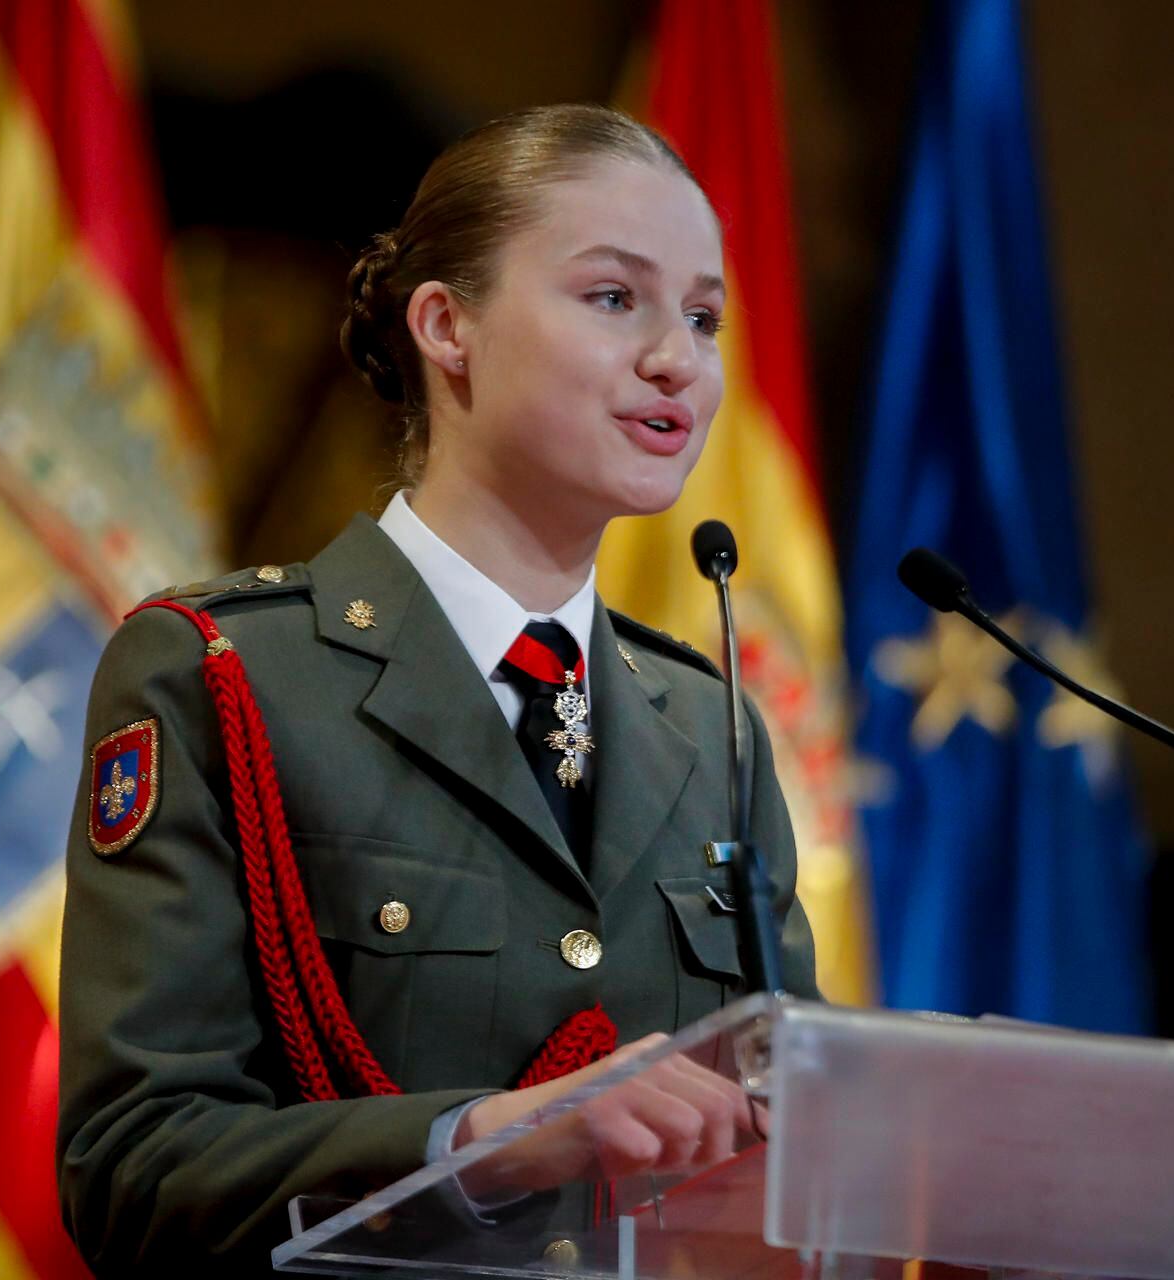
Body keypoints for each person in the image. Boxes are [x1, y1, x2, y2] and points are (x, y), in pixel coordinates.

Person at [56, 103, 822, 1275]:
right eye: (615, 297)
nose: (679, 357)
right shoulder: (223, 676)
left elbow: (796, 1145)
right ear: (446, 325)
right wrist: (482, 1142)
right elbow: (134, 1169)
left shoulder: (710, 731)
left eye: (705, 315)